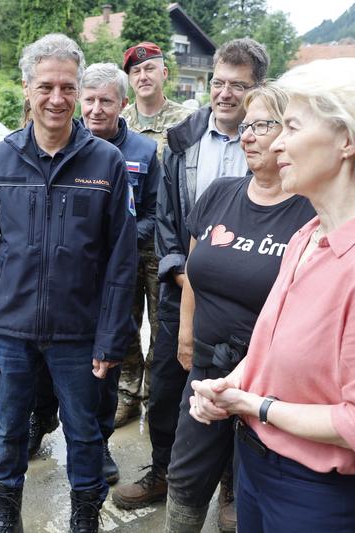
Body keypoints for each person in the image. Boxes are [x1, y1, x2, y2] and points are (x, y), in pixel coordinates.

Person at [189, 58, 355, 532]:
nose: (276, 142)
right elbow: (270, 351)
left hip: (317, 497)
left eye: (292, 127)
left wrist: (254, 405)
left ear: (347, 139)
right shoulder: (308, 234)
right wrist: (228, 386)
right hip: (256, 465)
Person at [0, 33, 137, 532]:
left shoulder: (105, 163)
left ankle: (85, 516)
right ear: (26, 89)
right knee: (9, 431)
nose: (57, 99)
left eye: (67, 87)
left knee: (84, 434)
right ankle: (5, 512)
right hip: (12, 332)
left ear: (79, 88)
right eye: (46, 87)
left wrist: (111, 339)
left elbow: (120, 263)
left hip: (79, 335)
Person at [113, 39, 269, 525]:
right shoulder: (184, 138)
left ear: (257, 89)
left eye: (238, 86)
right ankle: (164, 469)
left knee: (236, 389)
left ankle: (229, 487)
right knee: (167, 384)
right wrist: (179, 267)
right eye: (218, 82)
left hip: (245, 295)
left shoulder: (271, 140)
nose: (225, 93)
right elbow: (167, 214)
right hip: (180, 282)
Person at [163, 85, 315, 531]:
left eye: (262, 125)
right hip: (208, 368)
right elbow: (193, 268)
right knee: (186, 474)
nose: (247, 136)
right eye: (246, 126)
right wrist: (186, 335)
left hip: (273, 381)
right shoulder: (220, 192)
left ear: (291, 133)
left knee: (256, 482)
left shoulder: (310, 211)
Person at [27, 63, 159, 487]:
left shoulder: (142, 152)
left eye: (106, 101)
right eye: (90, 100)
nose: (96, 109)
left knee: (102, 367)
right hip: (63, 279)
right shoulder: (56, 145)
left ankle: (97, 444)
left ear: (123, 104)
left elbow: (156, 214)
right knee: (46, 357)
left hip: (115, 280)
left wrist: (114, 241)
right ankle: (42, 417)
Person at [108, 42, 190, 429]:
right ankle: (127, 391)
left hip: (165, 243)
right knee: (123, 323)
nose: (143, 76)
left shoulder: (186, 122)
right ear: (129, 80)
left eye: (150, 69)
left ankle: (156, 397)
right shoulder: (116, 122)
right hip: (124, 242)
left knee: (163, 326)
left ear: (164, 74)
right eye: (136, 72)